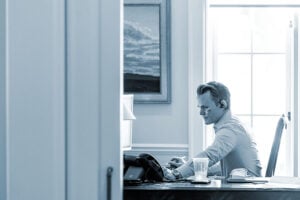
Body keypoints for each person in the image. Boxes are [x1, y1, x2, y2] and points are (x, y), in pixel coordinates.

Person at [163, 81, 262, 180]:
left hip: (248, 192)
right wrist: (192, 167)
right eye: (200, 107)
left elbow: (210, 156)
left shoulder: (230, 130)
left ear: (222, 104)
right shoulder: (234, 124)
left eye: (205, 107)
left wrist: (176, 173)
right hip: (246, 188)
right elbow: (222, 168)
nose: (201, 113)